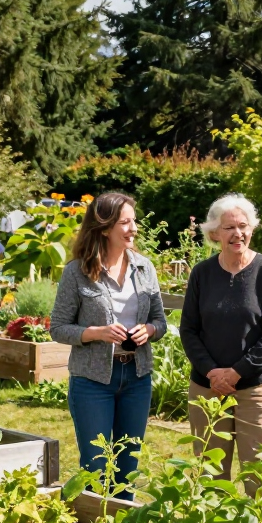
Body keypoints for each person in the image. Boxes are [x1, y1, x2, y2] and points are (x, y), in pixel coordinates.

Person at [50, 192, 166, 484]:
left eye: (133, 221)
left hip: (137, 377)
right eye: (124, 223)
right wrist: (97, 333)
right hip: (92, 381)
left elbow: (160, 323)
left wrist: (148, 331)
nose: (133, 228)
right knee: (96, 466)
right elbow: (59, 327)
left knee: (128, 464)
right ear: (104, 228)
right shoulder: (76, 272)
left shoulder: (144, 267)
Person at [180, 194, 262, 494]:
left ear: (252, 229)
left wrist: (237, 372)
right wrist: (212, 372)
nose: (237, 233)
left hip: (256, 389)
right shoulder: (202, 273)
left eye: (244, 226)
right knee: (210, 474)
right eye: (229, 228)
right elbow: (189, 329)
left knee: (260, 475)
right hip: (206, 389)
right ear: (214, 233)